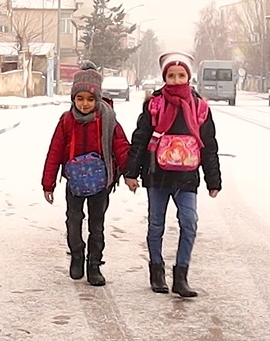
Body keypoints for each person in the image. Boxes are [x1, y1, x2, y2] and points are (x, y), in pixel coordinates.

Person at [123, 52, 222, 297]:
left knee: (189, 223)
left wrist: (213, 179)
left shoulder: (199, 107)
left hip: (187, 177)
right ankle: (157, 273)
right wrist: (131, 172)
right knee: (156, 225)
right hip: (157, 175)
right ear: (164, 77)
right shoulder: (154, 104)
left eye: (181, 75)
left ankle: (181, 276)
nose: (176, 80)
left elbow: (209, 145)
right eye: (171, 75)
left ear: (188, 77)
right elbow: (140, 138)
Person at [41, 68, 130, 285]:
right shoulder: (67, 120)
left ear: (97, 98)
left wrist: (130, 173)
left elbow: (121, 146)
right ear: (73, 99)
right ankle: (77, 254)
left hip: (101, 183)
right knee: (73, 220)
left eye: (90, 99)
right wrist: (48, 183)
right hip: (74, 183)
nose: (84, 104)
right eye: (79, 99)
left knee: (96, 225)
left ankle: (94, 265)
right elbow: (55, 150)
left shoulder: (108, 119)